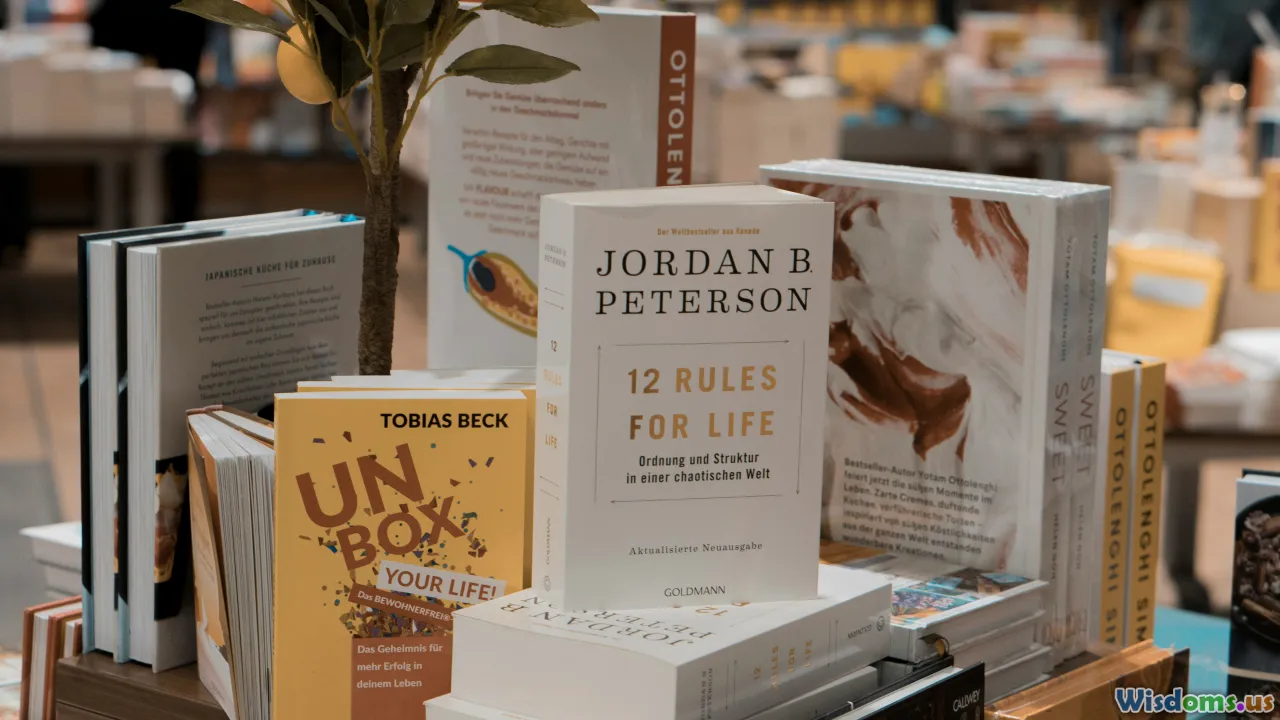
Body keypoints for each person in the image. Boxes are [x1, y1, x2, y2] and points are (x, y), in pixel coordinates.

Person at [89, 0, 209, 224]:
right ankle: (185, 224)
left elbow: (101, 28)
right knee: (182, 128)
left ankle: (112, 221)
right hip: (181, 21)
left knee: (176, 129)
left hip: (155, 23)